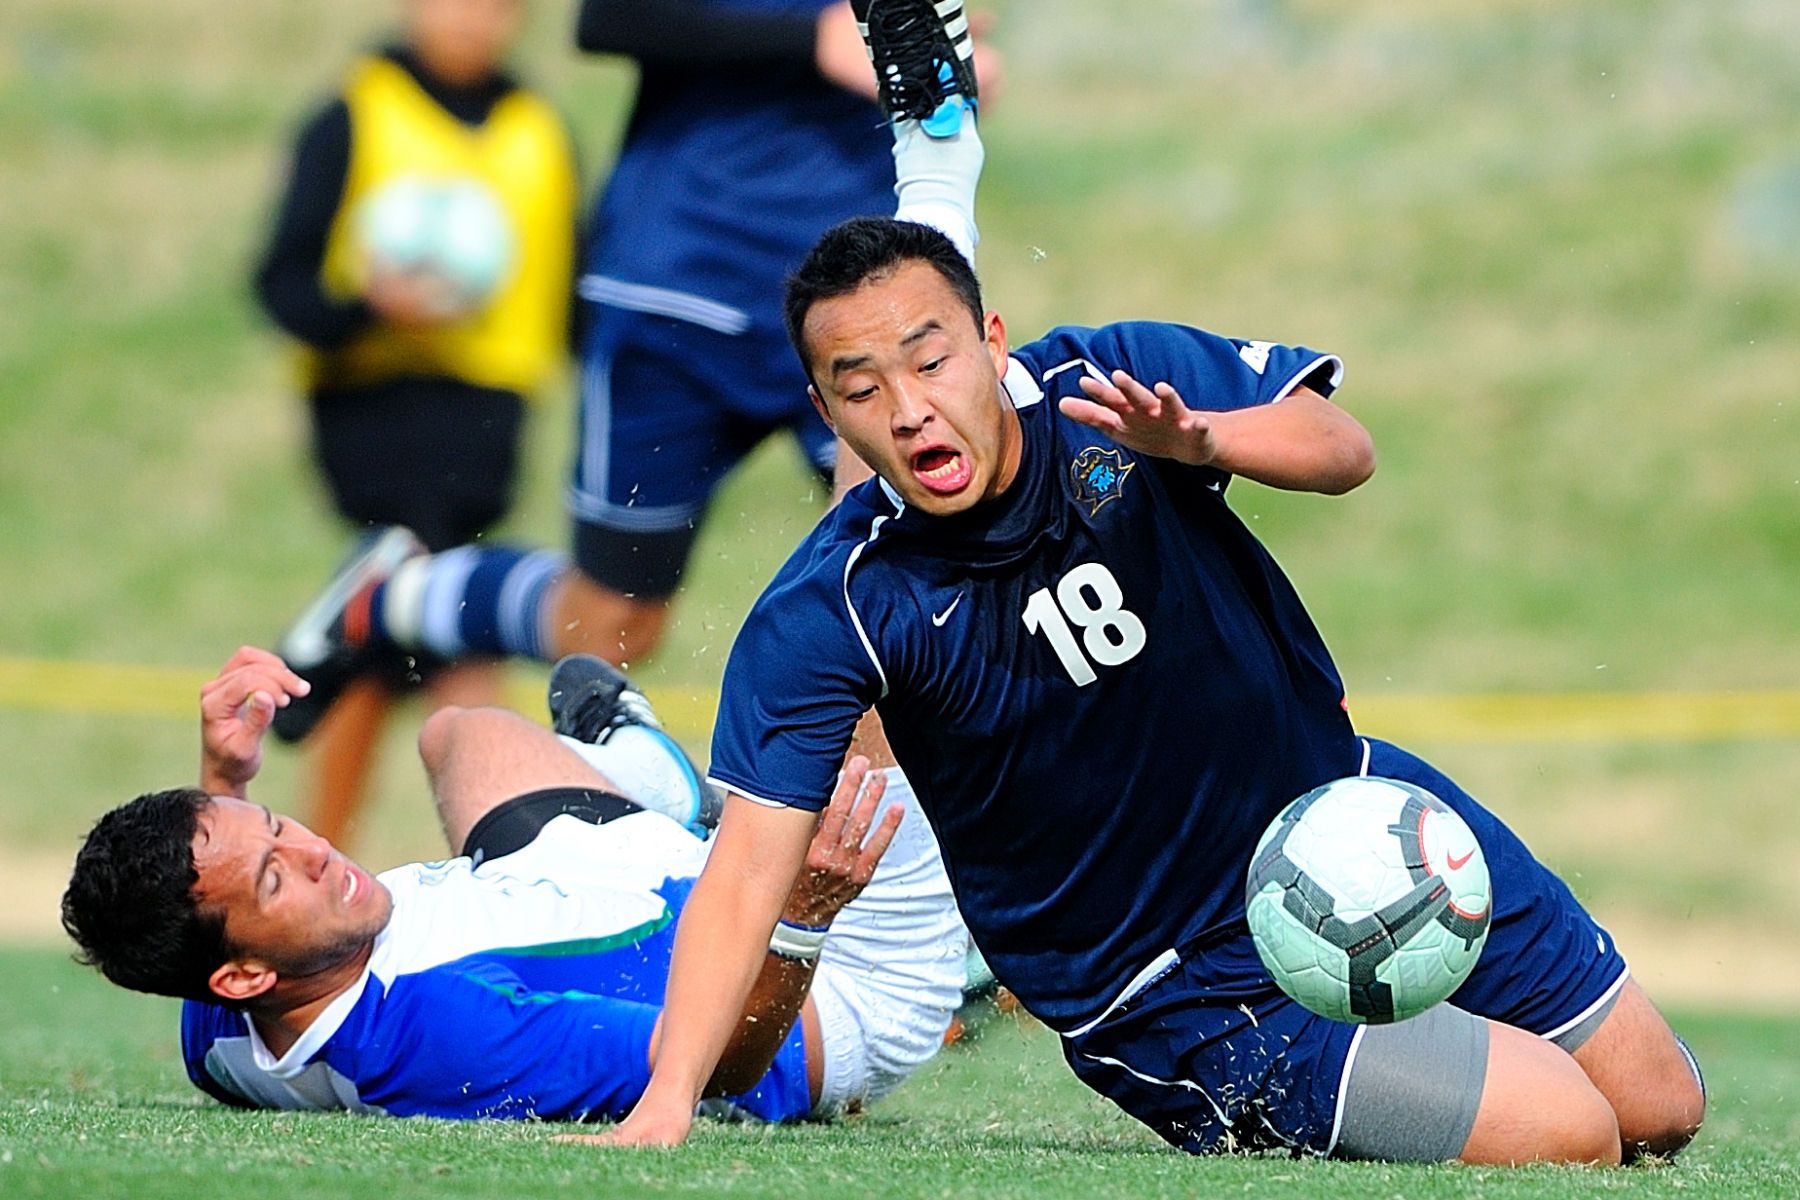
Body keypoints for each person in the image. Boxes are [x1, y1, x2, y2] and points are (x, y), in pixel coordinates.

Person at [593, 0, 1707, 1164]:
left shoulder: (1112, 389)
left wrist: (1207, 446)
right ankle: (1424, 1066)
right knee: (1573, 1133)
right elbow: (744, 874)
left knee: (1660, 1110)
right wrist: (665, 1104)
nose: (910, 406)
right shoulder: (832, 608)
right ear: (822, 414)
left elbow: (1345, 451)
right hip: (1174, 993)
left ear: (993, 341)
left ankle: (935, 171)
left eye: (931, 359)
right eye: (862, 388)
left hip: (1347, 824)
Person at [265, 1, 1000, 742]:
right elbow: (612, 16)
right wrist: (813, 39)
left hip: (853, 303)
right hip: (678, 291)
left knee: (919, 574)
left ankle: (886, 845)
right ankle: (396, 597)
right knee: (614, 622)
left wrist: (949, 86)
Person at [60, 647, 966, 1122]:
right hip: (836, 989)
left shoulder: (223, 1036)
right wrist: (801, 921)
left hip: (597, 879)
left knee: (455, 733)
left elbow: (201, 927)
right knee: (853, 673)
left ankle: (658, 790)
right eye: (273, 874)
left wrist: (225, 781)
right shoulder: (447, 1030)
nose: (314, 851)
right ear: (247, 975)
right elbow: (720, 1068)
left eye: (278, 829)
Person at [254, 0, 579, 842]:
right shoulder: (354, 113)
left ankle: (323, 843)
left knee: (396, 646)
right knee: (445, 620)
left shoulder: (540, 132)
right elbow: (281, 285)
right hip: (375, 405)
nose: (476, 19)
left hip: (489, 413)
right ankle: (529, 844)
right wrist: (369, 304)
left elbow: (575, 296)